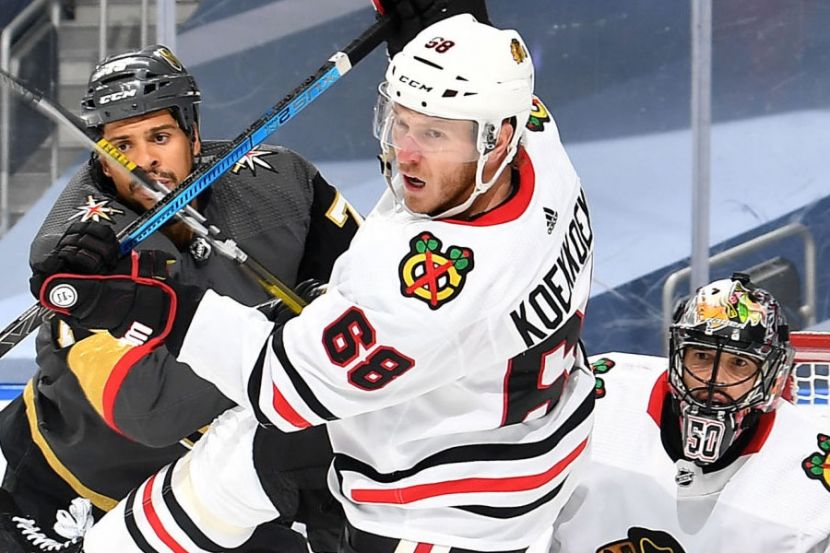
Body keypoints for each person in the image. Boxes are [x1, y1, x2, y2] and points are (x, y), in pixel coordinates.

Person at [27, 8, 596, 553]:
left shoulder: (423, 298)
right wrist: (436, 24)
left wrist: (142, 305)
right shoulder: (538, 145)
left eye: (434, 136)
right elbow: (483, 75)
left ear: (497, 138)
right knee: (228, 469)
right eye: (400, 122)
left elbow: (280, 385)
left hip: (441, 507)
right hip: (513, 427)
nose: (405, 155)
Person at [0, 44, 360, 552]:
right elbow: (151, 411)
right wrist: (283, 332)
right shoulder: (77, 253)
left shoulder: (283, 183)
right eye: (121, 145)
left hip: (230, 489)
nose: (144, 161)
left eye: (160, 137)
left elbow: (371, 300)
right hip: (76, 489)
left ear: (193, 132)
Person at [551, 273, 830, 552]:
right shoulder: (597, 397)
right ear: (677, 356)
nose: (715, 379)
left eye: (739, 363)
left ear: (770, 377)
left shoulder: (815, 479)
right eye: (702, 356)